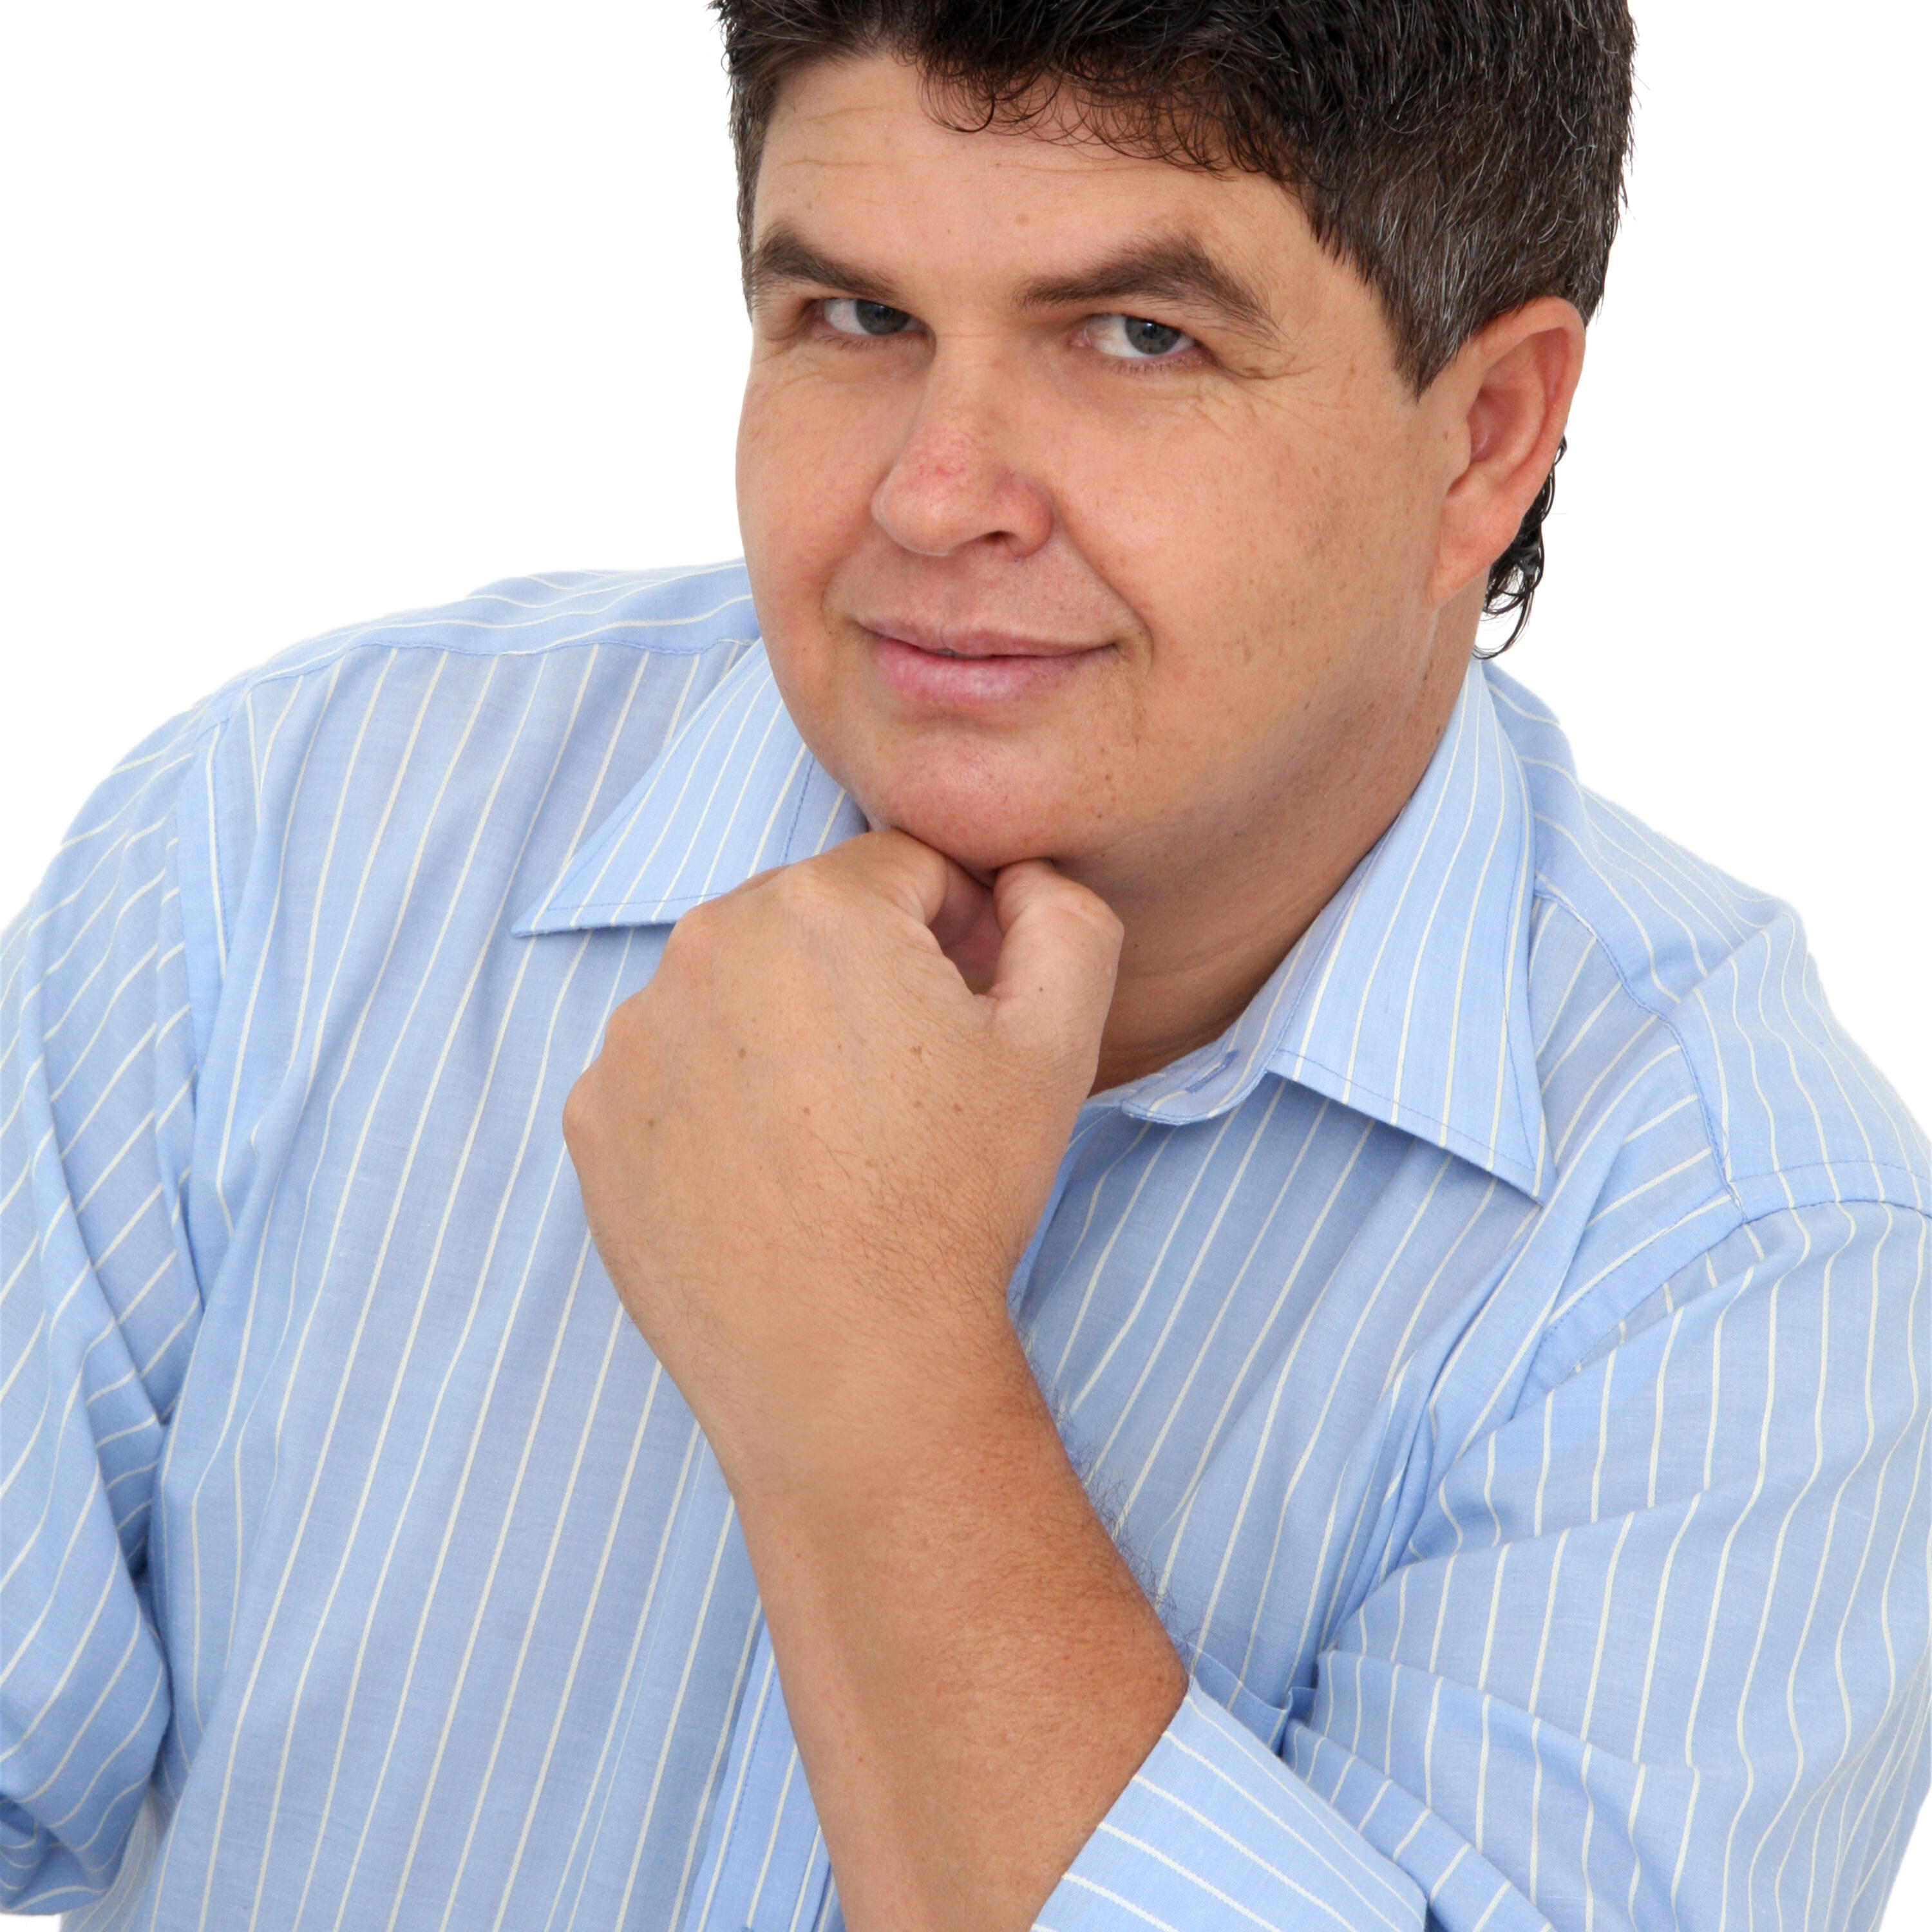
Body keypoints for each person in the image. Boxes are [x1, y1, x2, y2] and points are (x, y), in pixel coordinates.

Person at [3, 2, 1926, 1927]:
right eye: (856, 317)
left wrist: (886, 1368)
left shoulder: (1749, 1264)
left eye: (1138, 337)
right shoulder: (284, 850)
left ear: (1485, 438)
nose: (934, 497)